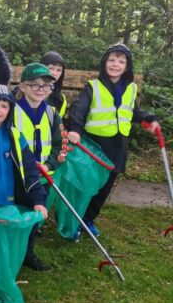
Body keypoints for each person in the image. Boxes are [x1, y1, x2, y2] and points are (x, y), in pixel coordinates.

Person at [66, 43, 159, 237]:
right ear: (104, 62)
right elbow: (78, 109)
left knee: (106, 185)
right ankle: (73, 220)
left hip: (118, 145)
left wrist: (147, 118)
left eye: (121, 61)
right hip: (95, 144)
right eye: (112, 60)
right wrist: (75, 129)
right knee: (88, 185)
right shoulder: (93, 87)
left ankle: (88, 219)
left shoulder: (131, 88)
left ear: (127, 66)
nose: (115, 64)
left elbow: (130, 112)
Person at [0, 85, 49, 266]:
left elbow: (30, 170)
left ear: (10, 110)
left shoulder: (16, 136)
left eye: (4, 106)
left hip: (6, 202)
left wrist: (38, 200)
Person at [14, 63, 65, 271]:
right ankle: (11, 253)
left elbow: (59, 145)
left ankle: (28, 253)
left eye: (46, 86)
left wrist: (50, 164)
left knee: (35, 218)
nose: (41, 90)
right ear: (23, 87)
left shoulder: (52, 114)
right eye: (35, 85)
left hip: (42, 177)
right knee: (17, 214)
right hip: (17, 177)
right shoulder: (12, 111)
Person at [40, 51, 68, 119]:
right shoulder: (27, 90)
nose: (54, 73)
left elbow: (59, 124)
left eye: (58, 70)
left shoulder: (60, 99)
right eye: (51, 68)